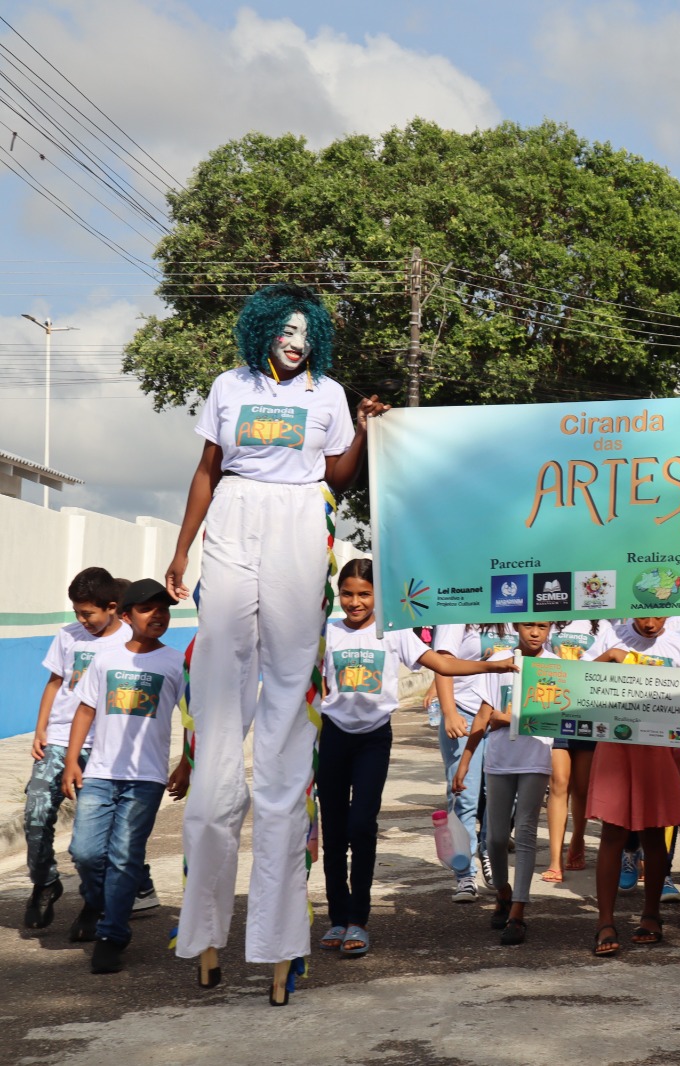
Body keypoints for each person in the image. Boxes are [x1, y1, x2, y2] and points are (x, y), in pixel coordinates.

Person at [167, 282, 388, 1005]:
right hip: (234, 510)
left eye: (305, 332)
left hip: (299, 516)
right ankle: (204, 927)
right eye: (285, 330)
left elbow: (337, 474)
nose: (296, 342)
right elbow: (206, 469)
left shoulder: (328, 393)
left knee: (291, 699)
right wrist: (182, 548)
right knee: (220, 688)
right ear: (263, 330)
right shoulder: (228, 386)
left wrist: (362, 430)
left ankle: (279, 938)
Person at [316, 560, 516, 956]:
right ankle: (337, 918)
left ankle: (358, 920)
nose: (355, 602)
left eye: (364, 594)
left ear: (378, 596)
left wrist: (492, 666)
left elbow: (443, 663)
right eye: (347, 594)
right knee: (334, 831)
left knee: (361, 826)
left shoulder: (393, 633)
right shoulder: (327, 633)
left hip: (373, 740)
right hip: (333, 738)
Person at [61, 579, 190, 974]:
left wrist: (186, 763)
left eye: (163, 609)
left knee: (124, 857)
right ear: (127, 615)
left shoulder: (176, 663)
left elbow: (193, 717)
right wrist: (72, 760)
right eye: (148, 608)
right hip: (100, 772)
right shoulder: (105, 659)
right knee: (84, 852)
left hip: (146, 778)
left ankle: (112, 935)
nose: (158, 615)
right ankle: (101, 903)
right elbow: (85, 709)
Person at [24, 569, 145, 930]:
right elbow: (55, 682)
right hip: (60, 739)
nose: (81, 620)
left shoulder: (130, 640)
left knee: (96, 837)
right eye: (77, 612)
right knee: (35, 813)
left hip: (105, 746)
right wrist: (41, 728)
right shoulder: (68, 636)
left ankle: (96, 901)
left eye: (88, 613)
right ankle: (45, 882)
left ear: (112, 607)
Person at [586, 617, 680, 956]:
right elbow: (578, 678)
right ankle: (605, 921)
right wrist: (610, 656)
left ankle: (651, 915)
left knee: (654, 833)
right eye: (643, 615)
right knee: (612, 833)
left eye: (658, 615)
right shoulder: (611, 635)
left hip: (658, 746)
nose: (650, 624)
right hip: (616, 741)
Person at [453, 621, 559, 946]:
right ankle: (503, 891)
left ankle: (518, 911)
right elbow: (484, 715)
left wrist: (507, 718)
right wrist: (465, 761)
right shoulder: (499, 661)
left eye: (542, 626)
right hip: (499, 761)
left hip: (536, 759)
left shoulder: (556, 666)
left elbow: (559, 715)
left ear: (550, 628)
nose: (535, 632)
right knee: (495, 838)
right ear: (516, 626)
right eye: (529, 625)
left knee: (525, 833)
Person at [431, 622, 518, 901]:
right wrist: (449, 712)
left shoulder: (517, 610)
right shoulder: (459, 613)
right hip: (465, 713)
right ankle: (465, 873)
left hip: (505, 716)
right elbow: (442, 663)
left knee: (503, 797)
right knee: (464, 798)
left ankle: (489, 851)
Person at [546, 619, 609, 878]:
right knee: (559, 782)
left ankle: (577, 841)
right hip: (555, 706)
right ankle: (555, 860)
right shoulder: (551, 620)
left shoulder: (603, 625)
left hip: (588, 710)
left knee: (582, 787)